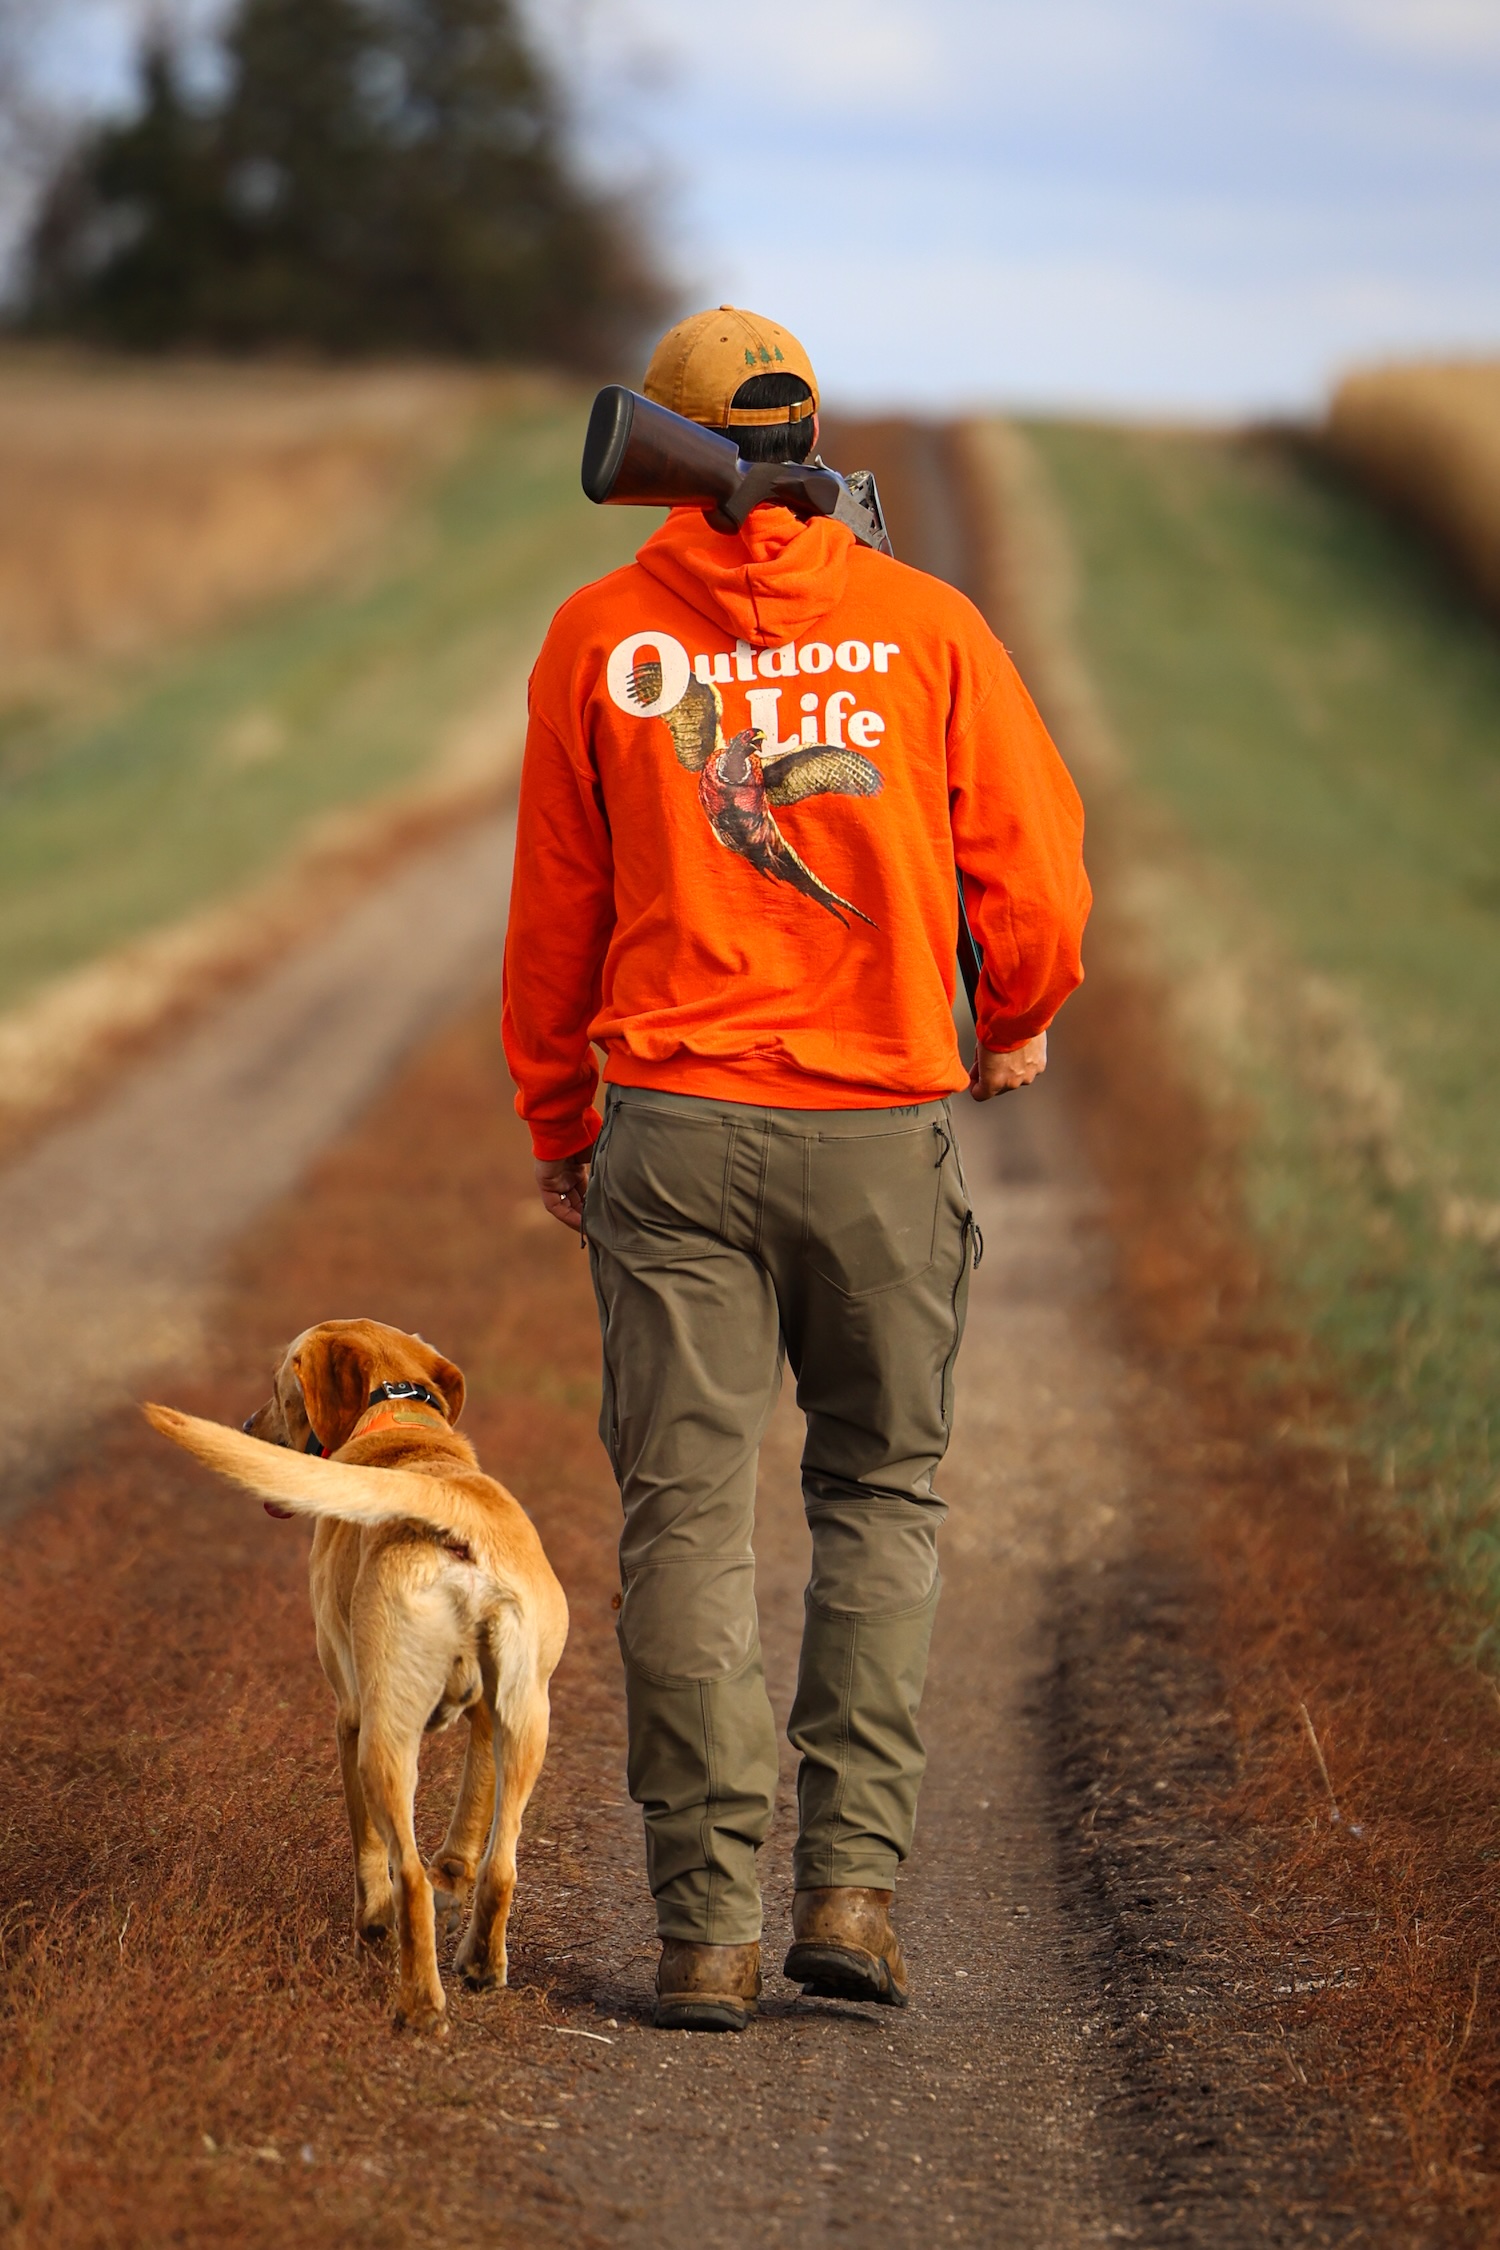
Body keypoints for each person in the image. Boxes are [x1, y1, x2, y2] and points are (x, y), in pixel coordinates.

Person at [502, 305, 1090, 2032]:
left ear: (671, 462)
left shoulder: (597, 639)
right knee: (878, 1498)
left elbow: (556, 920)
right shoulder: (927, 626)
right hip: (879, 1140)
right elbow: (1039, 882)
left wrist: (561, 1117)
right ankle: (850, 1890)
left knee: (687, 1516)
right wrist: (1018, 1011)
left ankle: (704, 1931)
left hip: (671, 1136)